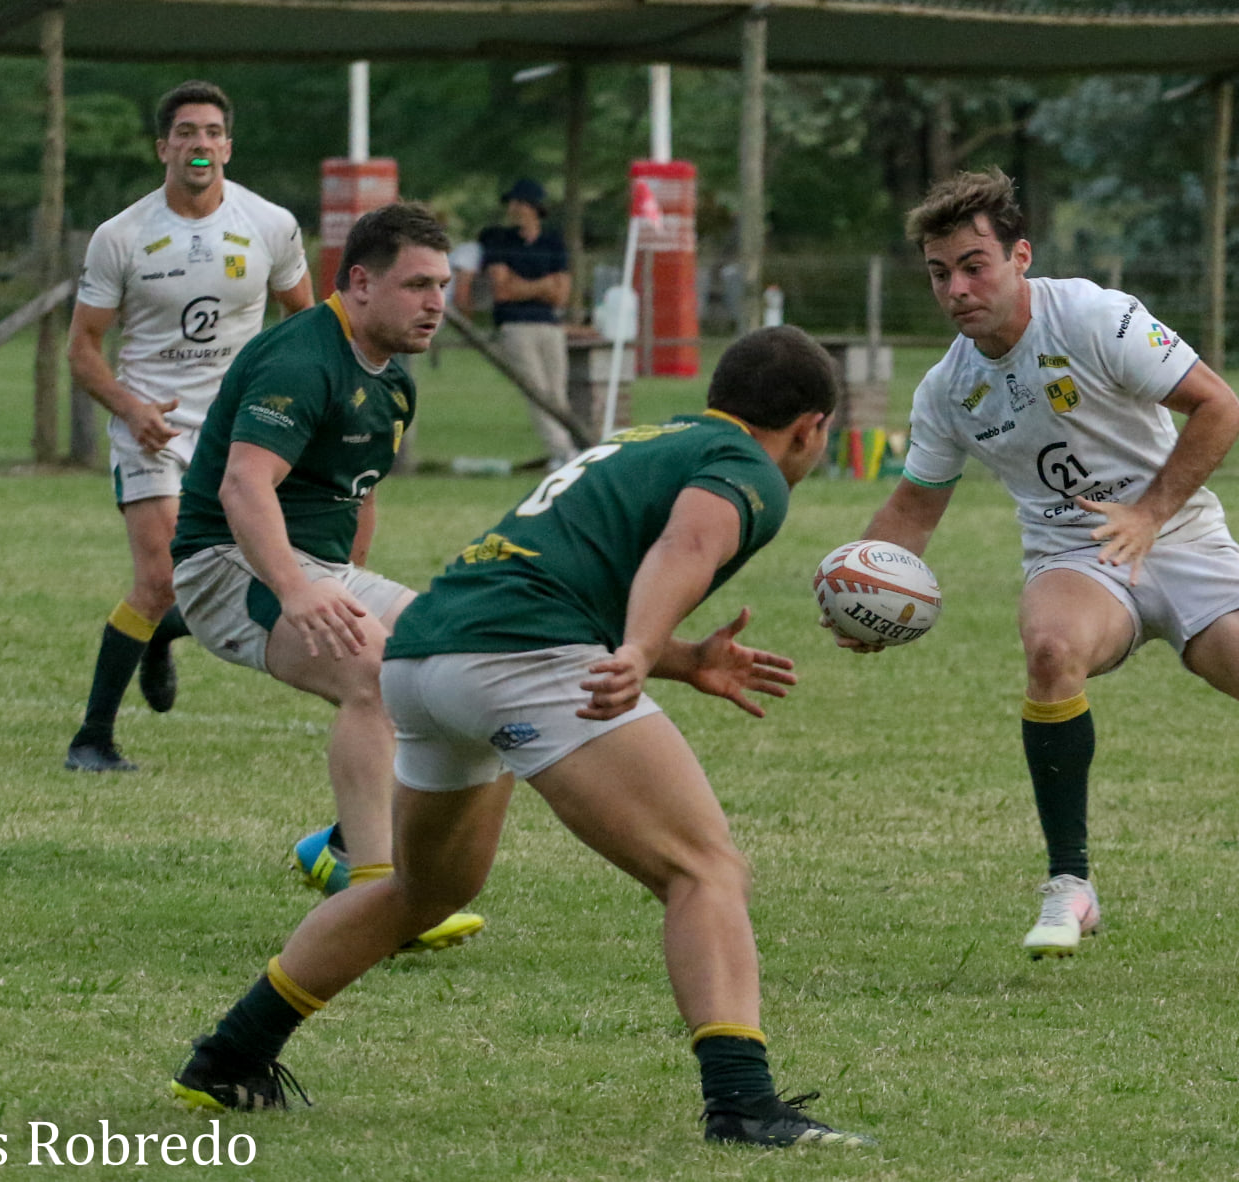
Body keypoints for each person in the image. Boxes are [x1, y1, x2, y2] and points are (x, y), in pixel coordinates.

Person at [170, 326, 875, 1148]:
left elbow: (573, 562)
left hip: (425, 658)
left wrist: (677, 658)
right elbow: (687, 544)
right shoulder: (749, 469)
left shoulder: (648, 438)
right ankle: (743, 1105)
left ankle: (230, 1056)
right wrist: (643, 649)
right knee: (704, 868)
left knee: (424, 892)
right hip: (522, 661)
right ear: (812, 427)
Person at [853, 168, 1239, 980]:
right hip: (1074, 555)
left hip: (1177, 534)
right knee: (1049, 650)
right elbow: (913, 509)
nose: (957, 289)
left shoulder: (1093, 316)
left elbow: (1221, 407)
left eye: (974, 265)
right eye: (940, 274)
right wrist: (860, 585)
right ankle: (1069, 884)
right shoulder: (948, 390)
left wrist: (1147, 515)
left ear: (1019, 257)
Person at [169, 201, 482, 953]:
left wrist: (347, 581)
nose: (435, 302)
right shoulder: (302, 359)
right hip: (230, 562)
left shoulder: (394, 384)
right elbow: (244, 487)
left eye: (442, 284)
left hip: (319, 567)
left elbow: (360, 490)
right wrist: (299, 591)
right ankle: (378, 894)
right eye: (416, 285)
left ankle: (341, 846)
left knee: (468, 663)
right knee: (373, 673)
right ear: (360, 282)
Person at [63, 79, 314, 773]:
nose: (198, 145)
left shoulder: (270, 224)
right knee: (158, 575)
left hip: (237, 430)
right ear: (162, 148)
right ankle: (92, 740)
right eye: (185, 134)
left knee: (219, 578)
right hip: (152, 426)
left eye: (210, 133)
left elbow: (306, 325)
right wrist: (129, 407)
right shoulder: (122, 236)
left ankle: (165, 633)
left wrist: (288, 407)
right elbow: (81, 349)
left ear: (227, 145)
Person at [480, 177, 575, 468]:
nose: (512, 208)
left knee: (557, 392)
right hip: (516, 326)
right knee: (536, 390)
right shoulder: (500, 241)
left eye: (517, 203)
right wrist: (544, 284)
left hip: (550, 325)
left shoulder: (553, 243)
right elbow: (502, 290)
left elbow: (560, 295)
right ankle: (563, 451)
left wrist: (525, 286)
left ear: (531, 207)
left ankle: (566, 449)